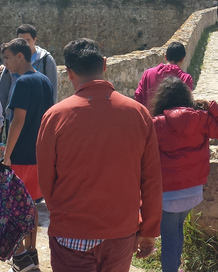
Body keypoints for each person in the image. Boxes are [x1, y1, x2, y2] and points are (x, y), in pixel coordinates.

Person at [37, 38, 163, 272]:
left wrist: (64, 214)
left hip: (71, 232)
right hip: (120, 231)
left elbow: (45, 178)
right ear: (104, 64)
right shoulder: (138, 114)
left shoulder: (55, 116)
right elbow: (152, 179)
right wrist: (148, 230)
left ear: (68, 72)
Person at [150, 77, 218, 272]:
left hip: (167, 193)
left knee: (169, 237)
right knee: (177, 230)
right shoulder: (201, 119)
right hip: (193, 190)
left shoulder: (157, 124)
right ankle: (175, 267)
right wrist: (210, 105)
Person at [0, 38, 54, 271]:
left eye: (8, 58)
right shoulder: (45, 81)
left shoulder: (21, 82)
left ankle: (20, 254)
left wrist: (7, 155)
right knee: (31, 206)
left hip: (20, 155)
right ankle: (31, 252)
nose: (5, 63)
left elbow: (17, 121)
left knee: (14, 207)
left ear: (20, 56)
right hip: (39, 154)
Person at [134, 41, 194, 108]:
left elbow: (138, 96)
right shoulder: (185, 78)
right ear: (182, 59)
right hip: (173, 118)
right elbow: (187, 105)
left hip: (149, 117)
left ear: (166, 57)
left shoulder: (148, 73)